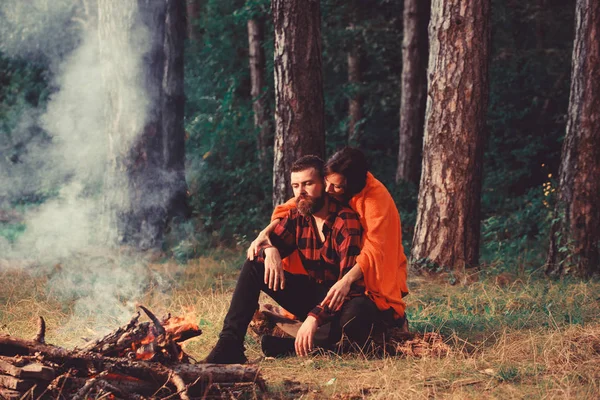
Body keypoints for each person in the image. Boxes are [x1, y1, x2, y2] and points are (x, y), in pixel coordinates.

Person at [205, 155, 381, 364]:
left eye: (308, 184)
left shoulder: (346, 221)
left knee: (358, 313)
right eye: (296, 186)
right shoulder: (298, 217)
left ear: (324, 184)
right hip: (314, 294)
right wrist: (270, 250)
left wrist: (314, 317)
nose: (301, 192)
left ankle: (288, 347)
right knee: (255, 265)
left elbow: (347, 288)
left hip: (345, 299)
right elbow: (259, 249)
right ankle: (229, 344)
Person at [248, 147, 409, 334]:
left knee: (356, 314)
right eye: (326, 182)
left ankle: (294, 340)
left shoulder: (373, 200)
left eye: (336, 186)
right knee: (255, 264)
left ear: (352, 186)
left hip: (368, 284)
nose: (328, 190)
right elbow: (292, 205)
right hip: (329, 288)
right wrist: (266, 238)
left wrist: (346, 281)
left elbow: (375, 249)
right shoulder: (328, 189)